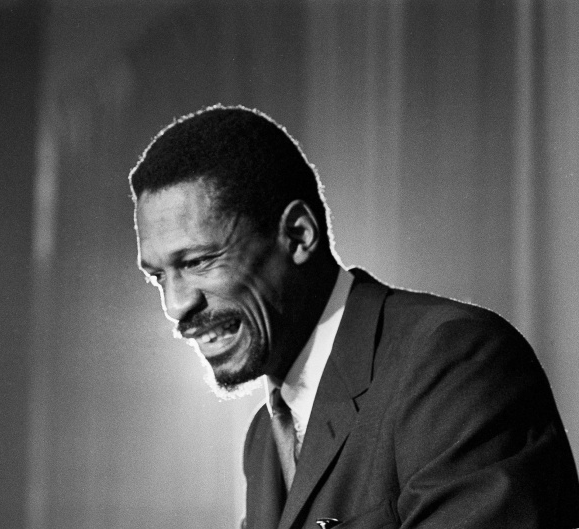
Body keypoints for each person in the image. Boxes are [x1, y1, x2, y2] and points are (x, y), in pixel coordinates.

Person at [128, 104, 579, 528]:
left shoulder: (453, 362)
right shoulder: (264, 438)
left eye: (198, 262)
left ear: (298, 235)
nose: (176, 305)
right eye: (157, 277)